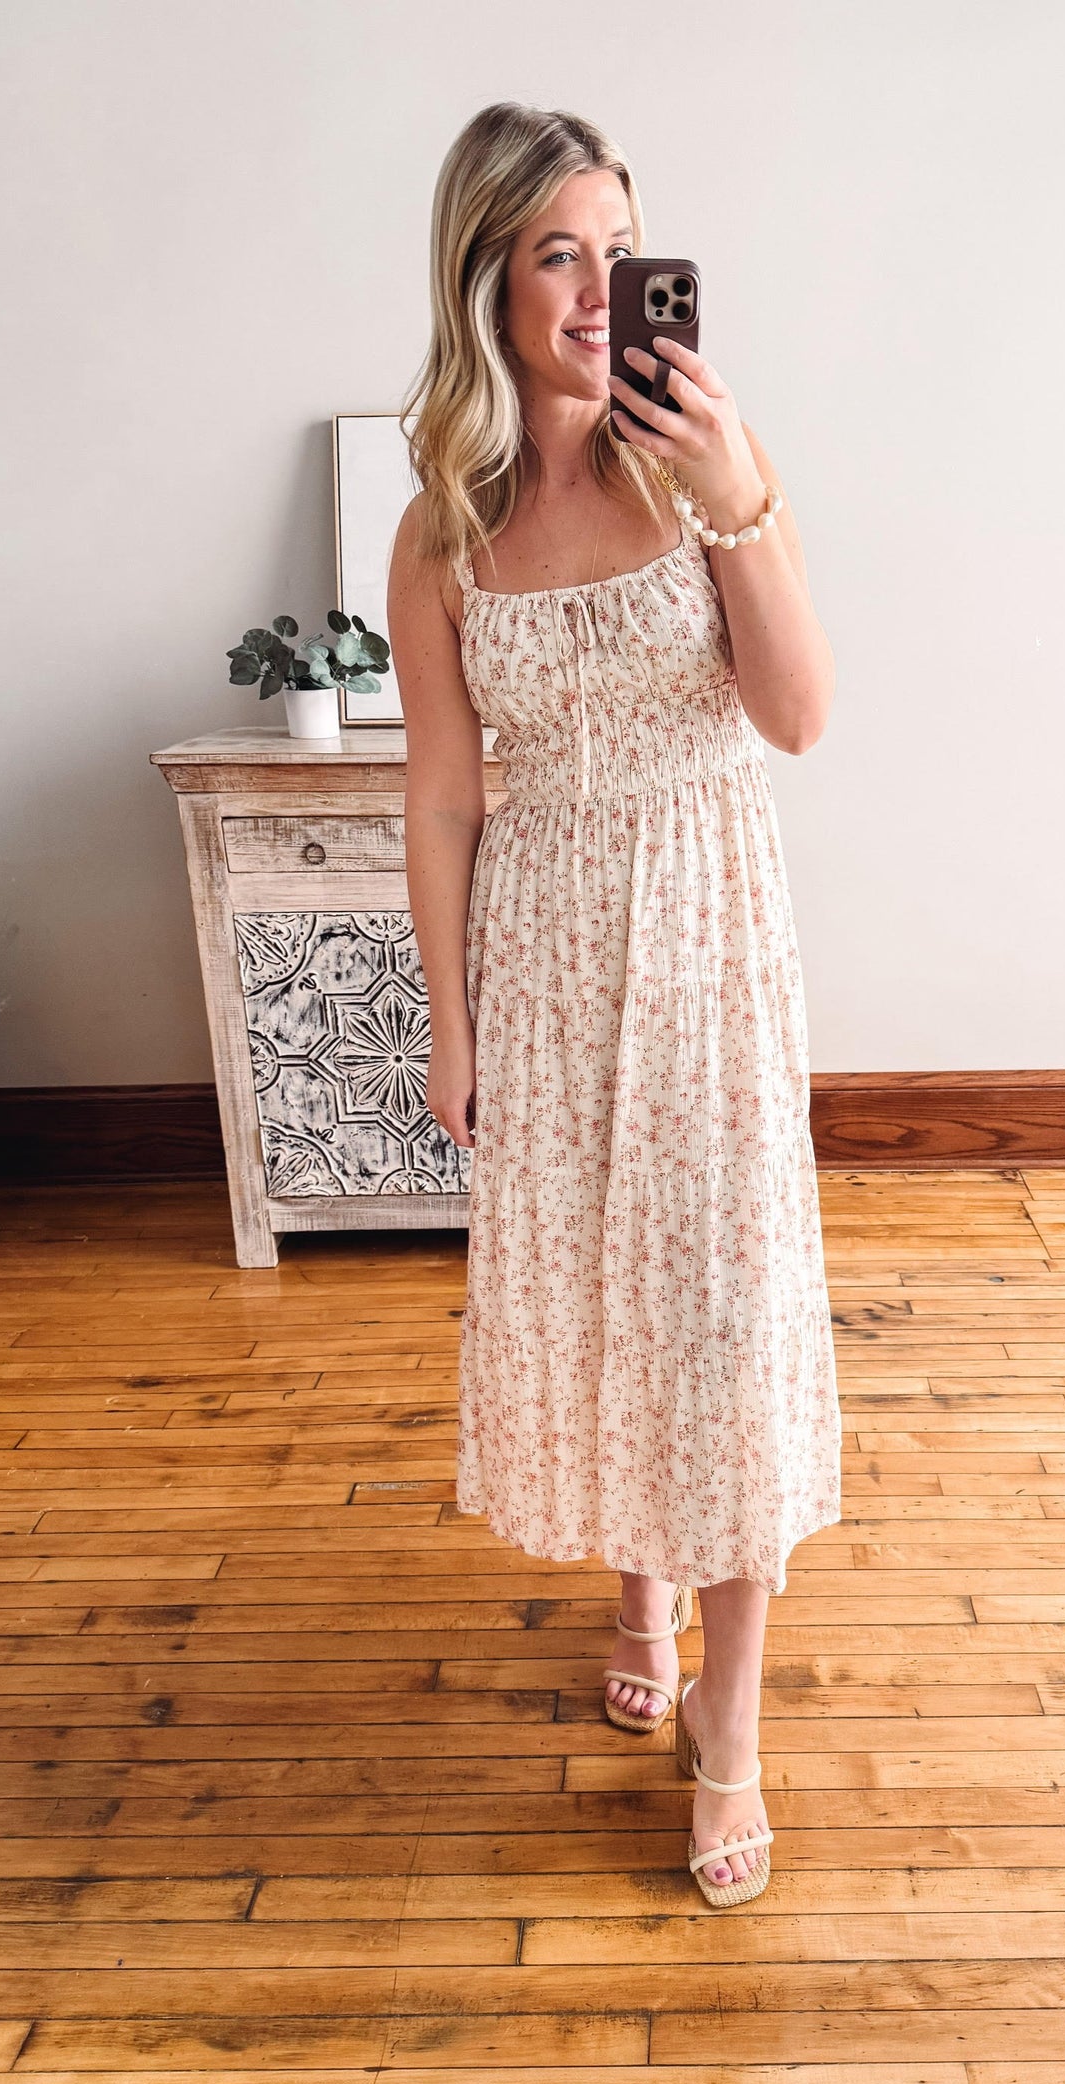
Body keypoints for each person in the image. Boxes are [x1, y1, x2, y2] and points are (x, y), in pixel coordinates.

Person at [388, 101, 841, 1908]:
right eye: (555, 253)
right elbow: (439, 792)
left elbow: (799, 720)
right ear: (489, 277)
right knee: (592, 1289)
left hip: (713, 929)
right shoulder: (440, 532)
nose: (593, 290)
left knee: (721, 1316)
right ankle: (635, 1582)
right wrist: (450, 1017)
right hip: (553, 945)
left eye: (617, 248)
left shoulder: (704, 462)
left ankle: (726, 1730)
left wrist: (744, 507)